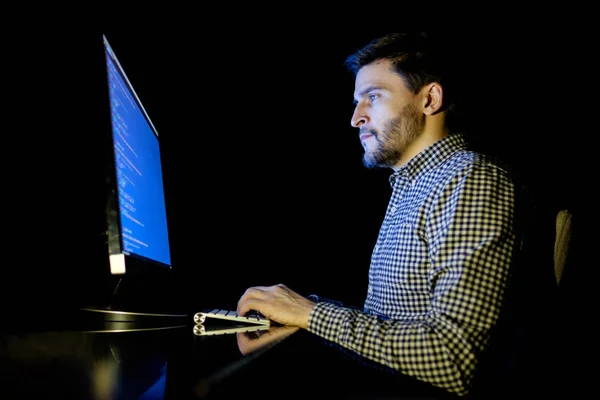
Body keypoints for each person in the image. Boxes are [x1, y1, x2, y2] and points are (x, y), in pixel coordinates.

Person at [236, 32, 557, 397]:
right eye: (357, 101)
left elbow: (452, 358)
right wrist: (301, 311)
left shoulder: (473, 180)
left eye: (373, 96)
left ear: (430, 99)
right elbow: (391, 323)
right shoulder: (410, 186)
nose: (356, 118)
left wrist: (310, 314)